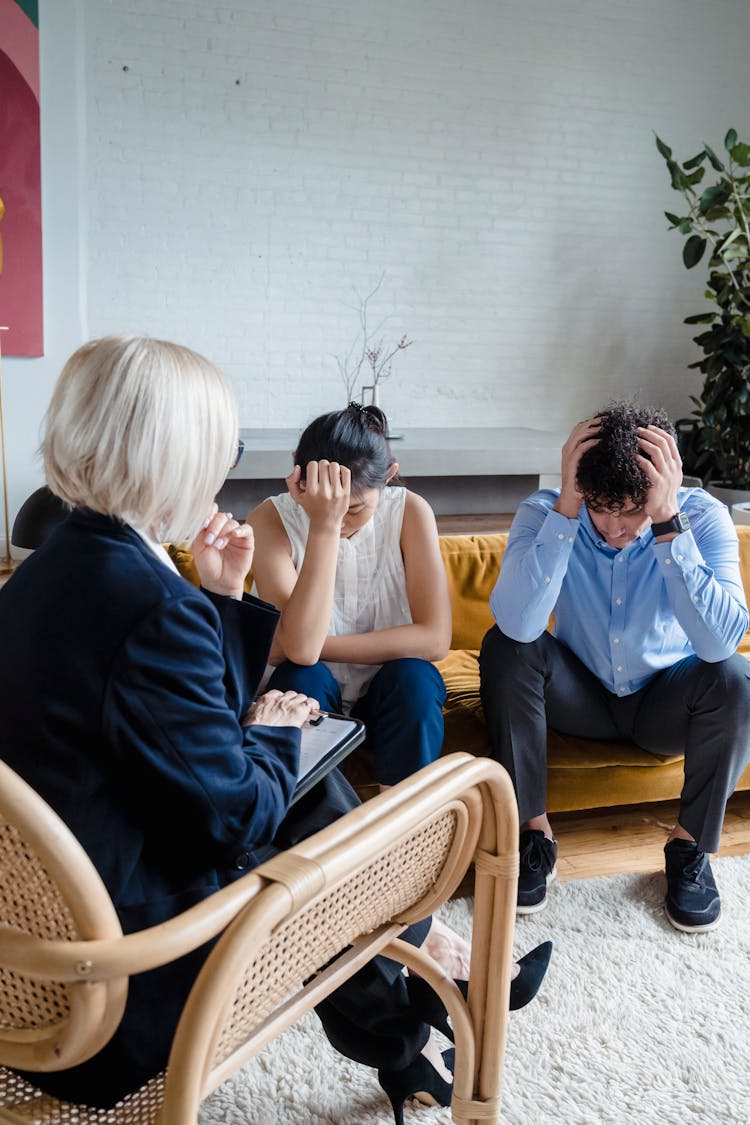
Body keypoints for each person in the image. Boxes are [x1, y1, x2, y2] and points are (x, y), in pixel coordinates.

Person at [0, 337, 549, 1119]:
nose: (223, 468)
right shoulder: (154, 608)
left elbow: (162, 731)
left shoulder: (43, 575)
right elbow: (233, 817)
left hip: (32, 965)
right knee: (308, 803)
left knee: (308, 790)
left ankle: (409, 1023)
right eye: (219, 448)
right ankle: (429, 964)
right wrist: (278, 728)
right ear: (177, 457)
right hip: (119, 997)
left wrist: (222, 603)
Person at [479, 402, 750, 932]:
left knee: (736, 678)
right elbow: (517, 624)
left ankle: (689, 847)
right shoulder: (546, 512)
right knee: (505, 647)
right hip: (580, 697)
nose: (616, 528)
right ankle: (534, 833)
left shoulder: (701, 517)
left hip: (664, 705)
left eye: (634, 511)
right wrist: (568, 508)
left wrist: (669, 524)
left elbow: (719, 644)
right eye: (602, 507)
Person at [247, 402, 451, 788]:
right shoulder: (269, 519)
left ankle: (403, 828)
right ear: (297, 472)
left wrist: (305, 642)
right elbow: (302, 655)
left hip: (386, 695)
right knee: (301, 675)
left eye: (353, 509)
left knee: (416, 678)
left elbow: (435, 640)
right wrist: (321, 527)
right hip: (307, 691)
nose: (339, 520)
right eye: (325, 506)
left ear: (389, 475)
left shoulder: (411, 513)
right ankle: (315, 827)